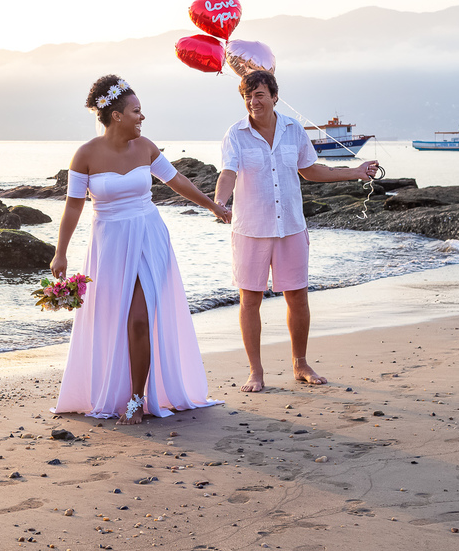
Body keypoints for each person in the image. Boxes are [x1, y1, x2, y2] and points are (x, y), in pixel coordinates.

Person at [50, 75, 229, 425]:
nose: (141, 117)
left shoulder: (146, 147)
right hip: (110, 244)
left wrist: (213, 206)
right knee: (118, 321)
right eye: (136, 111)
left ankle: (136, 398)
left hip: (149, 237)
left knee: (139, 320)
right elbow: (73, 205)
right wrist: (61, 252)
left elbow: (177, 181)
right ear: (116, 116)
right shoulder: (85, 155)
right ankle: (119, 391)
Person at [213, 70, 378, 393]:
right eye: (247, 96)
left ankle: (300, 363)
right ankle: (255, 372)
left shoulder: (293, 130)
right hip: (250, 230)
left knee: (298, 298)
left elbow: (311, 170)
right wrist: (219, 200)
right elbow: (228, 173)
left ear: (274, 96)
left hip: (291, 226)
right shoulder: (235, 134)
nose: (253, 101)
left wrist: (355, 173)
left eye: (259, 94)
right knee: (250, 301)